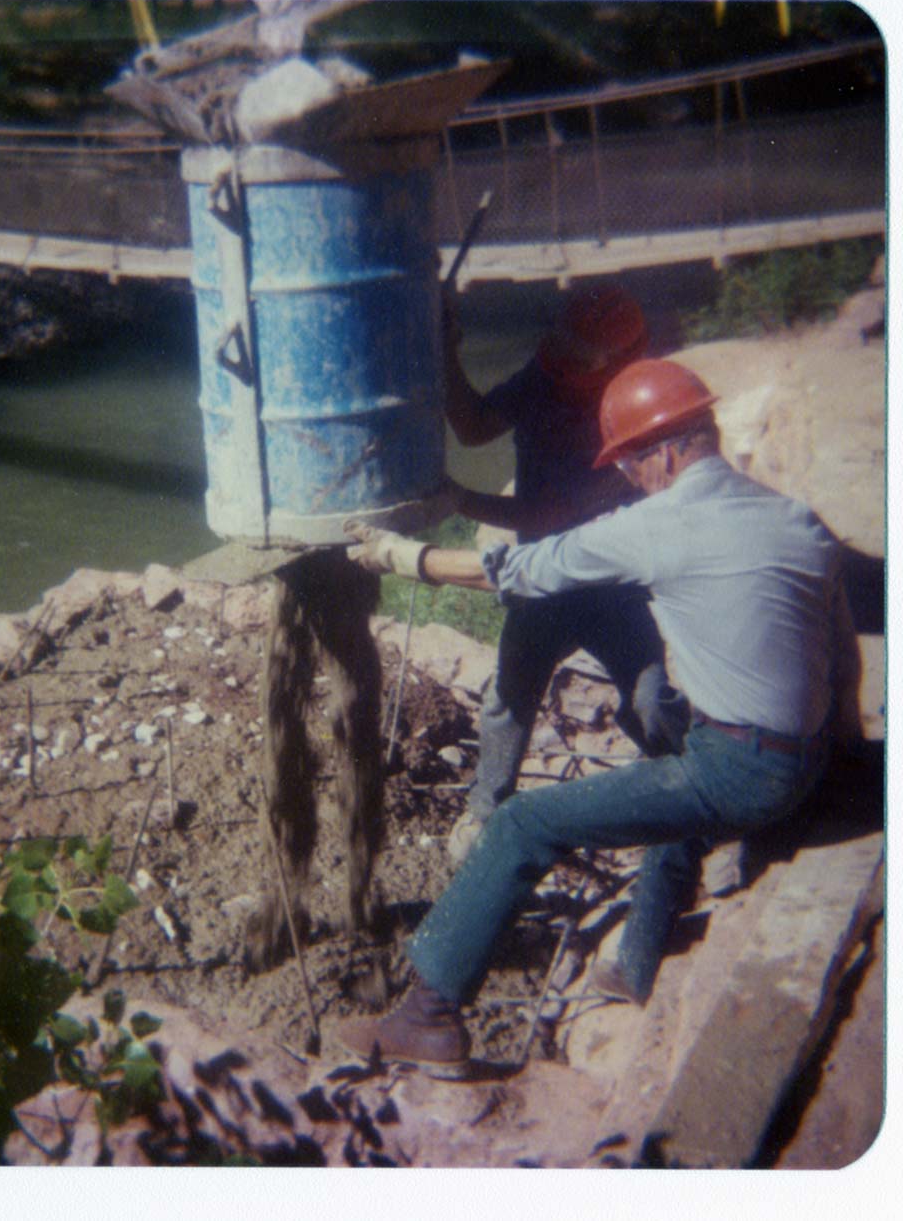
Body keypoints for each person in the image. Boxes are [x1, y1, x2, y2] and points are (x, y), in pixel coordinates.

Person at [339, 358, 860, 1077]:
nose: (629, 479)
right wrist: (841, 760)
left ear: (667, 453)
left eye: (631, 465)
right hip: (807, 755)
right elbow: (843, 656)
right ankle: (636, 963)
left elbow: (526, 568)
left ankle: (428, 1015)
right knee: (666, 774)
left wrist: (406, 556)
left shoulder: (659, 525)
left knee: (525, 821)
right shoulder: (795, 518)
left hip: (744, 770)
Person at [439, 281, 689, 868]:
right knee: (508, 699)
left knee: (649, 695)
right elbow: (474, 427)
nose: (566, 364)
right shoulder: (545, 376)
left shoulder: (635, 412)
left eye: (581, 358)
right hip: (541, 584)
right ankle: (485, 812)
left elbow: (546, 513)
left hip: (608, 583)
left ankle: (688, 797)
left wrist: (461, 501)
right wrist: (446, 348)